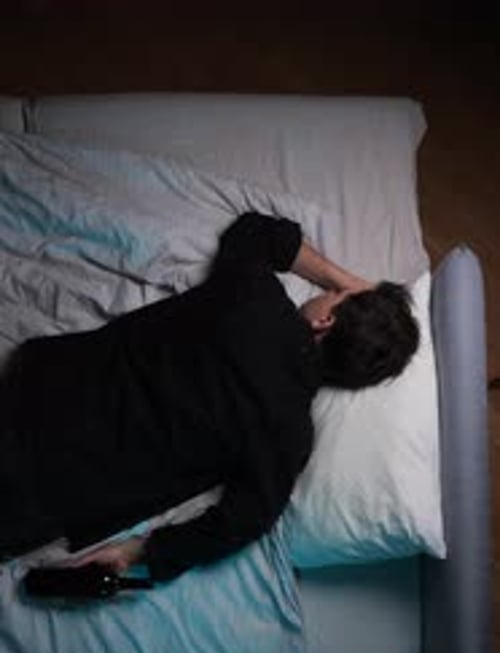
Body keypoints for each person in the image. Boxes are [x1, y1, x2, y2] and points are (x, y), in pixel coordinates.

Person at [0, 212, 419, 581]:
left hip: (36, 389)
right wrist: (136, 551)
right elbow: (242, 523)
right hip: (41, 496)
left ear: (326, 320)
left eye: (333, 296)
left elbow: (255, 230)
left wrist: (347, 284)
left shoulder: (252, 295)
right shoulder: (289, 434)